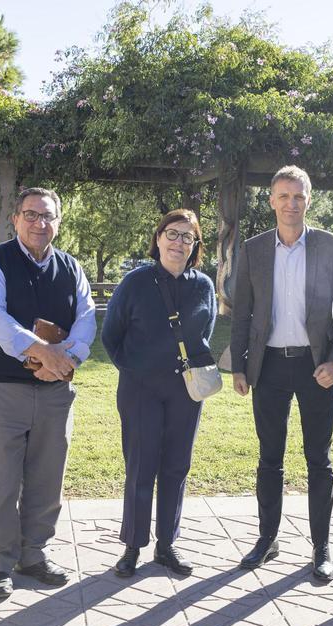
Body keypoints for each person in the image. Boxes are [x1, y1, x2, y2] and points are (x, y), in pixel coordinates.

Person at [0, 187, 96, 600]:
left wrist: (67, 359)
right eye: (31, 214)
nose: (40, 223)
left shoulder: (71, 267)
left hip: (55, 391)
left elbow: (87, 318)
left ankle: (34, 555)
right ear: (15, 219)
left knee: (47, 478)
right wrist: (42, 351)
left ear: (58, 221)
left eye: (48, 216)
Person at [229, 165, 333, 581]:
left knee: (319, 458)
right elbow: (242, 313)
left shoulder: (331, 246)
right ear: (271, 201)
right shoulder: (253, 250)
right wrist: (240, 366)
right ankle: (268, 539)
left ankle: (321, 547)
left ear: (309, 200)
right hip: (267, 366)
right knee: (270, 457)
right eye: (283, 196)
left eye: (298, 196)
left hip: (316, 366)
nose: (291, 204)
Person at [101, 210, 217, 578]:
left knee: (176, 466)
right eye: (172, 234)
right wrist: (136, 369)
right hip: (141, 390)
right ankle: (133, 546)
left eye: (187, 237)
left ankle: (167, 544)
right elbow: (111, 334)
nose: (178, 242)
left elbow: (205, 334)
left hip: (186, 390)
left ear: (195, 245)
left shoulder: (204, 286)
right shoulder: (135, 283)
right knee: (140, 467)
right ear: (158, 238)